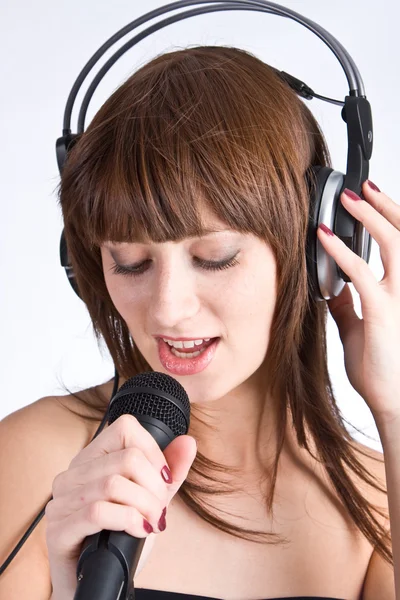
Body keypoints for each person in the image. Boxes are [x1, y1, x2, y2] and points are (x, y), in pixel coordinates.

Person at [0, 45, 398, 600]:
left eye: (214, 258)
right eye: (131, 263)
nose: (166, 308)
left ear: (318, 251)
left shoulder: (381, 500)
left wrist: (395, 408)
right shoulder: (33, 461)